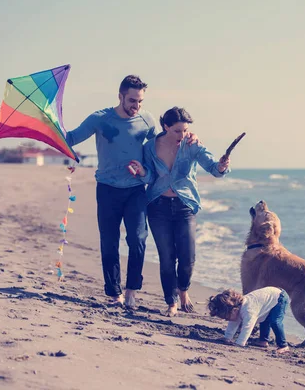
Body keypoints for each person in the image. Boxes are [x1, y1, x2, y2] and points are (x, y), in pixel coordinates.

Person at [65, 76, 198, 308]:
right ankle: (114, 292)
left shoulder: (145, 119)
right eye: (132, 100)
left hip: (136, 190)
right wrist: (52, 128)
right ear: (120, 96)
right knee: (109, 241)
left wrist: (188, 136)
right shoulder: (100, 119)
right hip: (107, 189)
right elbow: (72, 138)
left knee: (138, 239)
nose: (137, 106)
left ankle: (131, 290)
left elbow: (161, 143)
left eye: (140, 101)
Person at [133, 106, 230, 317]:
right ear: (166, 127)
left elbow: (214, 168)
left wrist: (222, 166)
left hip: (185, 206)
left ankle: (183, 289)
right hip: (158, 206)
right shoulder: (150, 147)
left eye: (185, 130)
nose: (182, 135)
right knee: (167, 257)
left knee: (187, 257)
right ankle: (171, 302)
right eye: (177, 130)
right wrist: (142, 172)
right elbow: (150, 176)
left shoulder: (192, 145)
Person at [207, 287, 290, 354]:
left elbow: (247, 327)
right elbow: (233, 323)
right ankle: (263, 341)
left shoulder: (249, 311)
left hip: (279, 297)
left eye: (226, 317)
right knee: (265, 320)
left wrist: (240, 343)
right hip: (269, 297)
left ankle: (283, 346)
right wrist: (227, 337)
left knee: (274, 321)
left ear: (234, 310)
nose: (226, 320)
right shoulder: (237, 309)